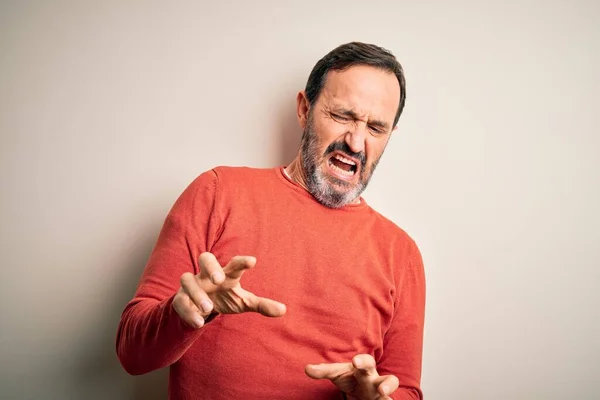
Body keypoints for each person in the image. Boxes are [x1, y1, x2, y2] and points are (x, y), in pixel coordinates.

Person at [116, 41, 426, 400]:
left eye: (375, 127)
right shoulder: (218, 193)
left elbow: (404, 390)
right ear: (304, 109)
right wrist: (182, 315)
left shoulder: (401, 254)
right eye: (342, 116)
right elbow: (131, 354)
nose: (356, 142)